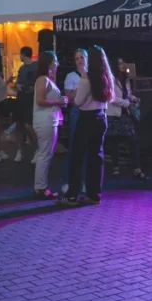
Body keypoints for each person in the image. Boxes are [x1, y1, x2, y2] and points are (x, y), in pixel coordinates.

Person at [62, 46, 114, 206]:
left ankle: (72, 195)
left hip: (87, 118)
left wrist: (77, 93)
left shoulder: (86, 78)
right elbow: (110, 98)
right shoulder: (107, 76)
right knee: (96, 157)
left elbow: (78, 102)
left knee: (76, 157)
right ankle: (94, 194)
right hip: (101, 117)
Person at [31, 51, 67, 199]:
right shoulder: (43, 80)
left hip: (48, 120)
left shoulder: (47, 79)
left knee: (45, 153)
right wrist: (59, 101)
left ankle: (41, 186)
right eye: (55, 61)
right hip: (45, 121)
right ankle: (41, 187)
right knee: (45, 153)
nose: (57, 64)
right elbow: (40, 100)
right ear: (49, 63)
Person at [106, 58, 146, 179]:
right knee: (114, 142)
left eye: (123, 63)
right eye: (120, 63)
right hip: (114, 114)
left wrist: (133, 98)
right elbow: (111, 97)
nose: (122, 65)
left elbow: (127, 94)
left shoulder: (126, 79)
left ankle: (137, 168)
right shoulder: (111, 79)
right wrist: (126, 103)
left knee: (132, 140)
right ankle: (115, 168)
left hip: (125, 114)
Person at [61, 49, 88, 193]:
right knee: (73, 148)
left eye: (82, 57)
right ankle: (68, 182)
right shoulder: (71, 76)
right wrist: (82, 86)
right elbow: (69, 97)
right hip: (76, 112)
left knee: (88, 150)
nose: (79, 60)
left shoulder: (93, 74)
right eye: (77, 58)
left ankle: (85, 182)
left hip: (90, 112)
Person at [14, 47, 39, 163]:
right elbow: (17, 83)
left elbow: (39, 83)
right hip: (20, 99)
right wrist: (18, 86)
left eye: (20, 55)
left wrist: (33, 89)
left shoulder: (36, 67)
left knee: (29, 126)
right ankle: (19, 151)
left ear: (23, 55)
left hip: (30, 100)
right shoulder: (21, 68)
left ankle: (37, 151)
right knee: (19, 126)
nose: (20, 57)